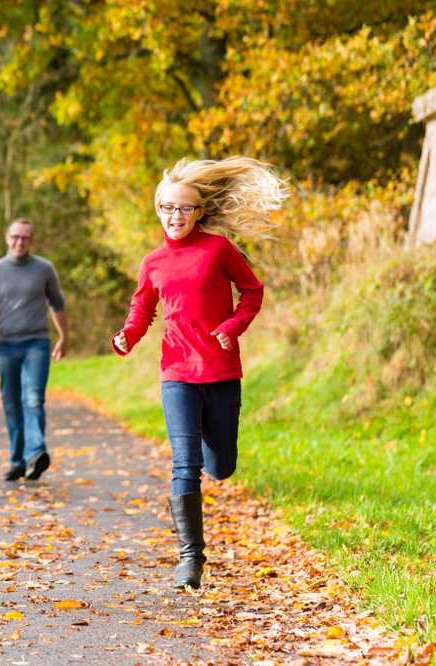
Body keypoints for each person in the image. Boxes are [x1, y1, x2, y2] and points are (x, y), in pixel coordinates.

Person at [111, 156, 288, 589]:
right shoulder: (152, 261)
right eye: (168, 208)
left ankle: (217, 456)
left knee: (221, 466)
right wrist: (128, 336)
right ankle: (190, 559)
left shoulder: (219, 250)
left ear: (199, 212)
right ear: (158, 209)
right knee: (183, 465)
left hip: (222, 372)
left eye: (185, 208)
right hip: (177, 372)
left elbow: (252, 290)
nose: (176, 216)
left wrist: (232, 327)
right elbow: (142, 308)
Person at [0, 219, 68, 483]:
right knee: (11, 403)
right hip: (6, 345)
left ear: (32, 240)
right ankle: (17, 461)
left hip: (36, 344)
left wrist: (64, 338)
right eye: (15, 237)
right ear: (7, 238)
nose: (20, 242)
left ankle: (36, 453)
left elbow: (58, 304)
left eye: (25, 238)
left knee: (33, 398)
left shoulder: (44, 269)